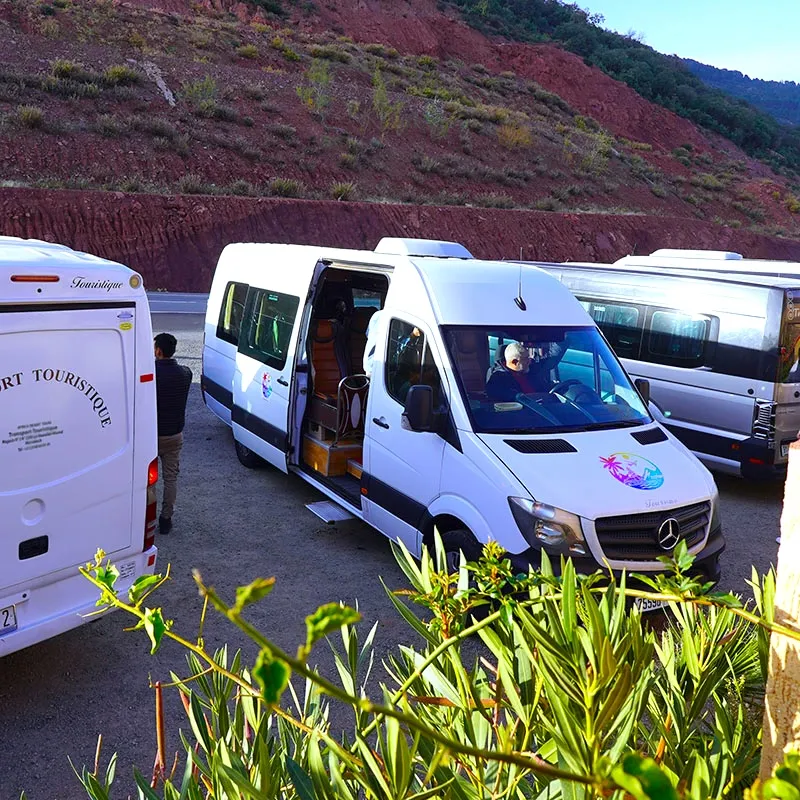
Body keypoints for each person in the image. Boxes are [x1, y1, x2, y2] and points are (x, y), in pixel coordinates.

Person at [154, 332, 192, 535]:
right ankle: (166, 518)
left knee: (148, 480)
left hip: (151, 435)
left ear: (158, 351)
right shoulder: (185, 374)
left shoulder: (150, 374)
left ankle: (146, 518)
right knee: (171, 478)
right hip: (174, 434)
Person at [486, 340, 564, 402]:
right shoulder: (498, 377)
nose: (530, 361)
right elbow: (495, 392)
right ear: (514, 362)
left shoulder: (532, 367)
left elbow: (552, 357)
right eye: (526, 359)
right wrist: (518, 396)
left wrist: (563, 338)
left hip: (545, 408)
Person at [362, 308, 384, 377]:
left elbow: (368, 334)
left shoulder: (376, 315)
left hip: (370, 364)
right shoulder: (393, 317)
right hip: (377, 366)